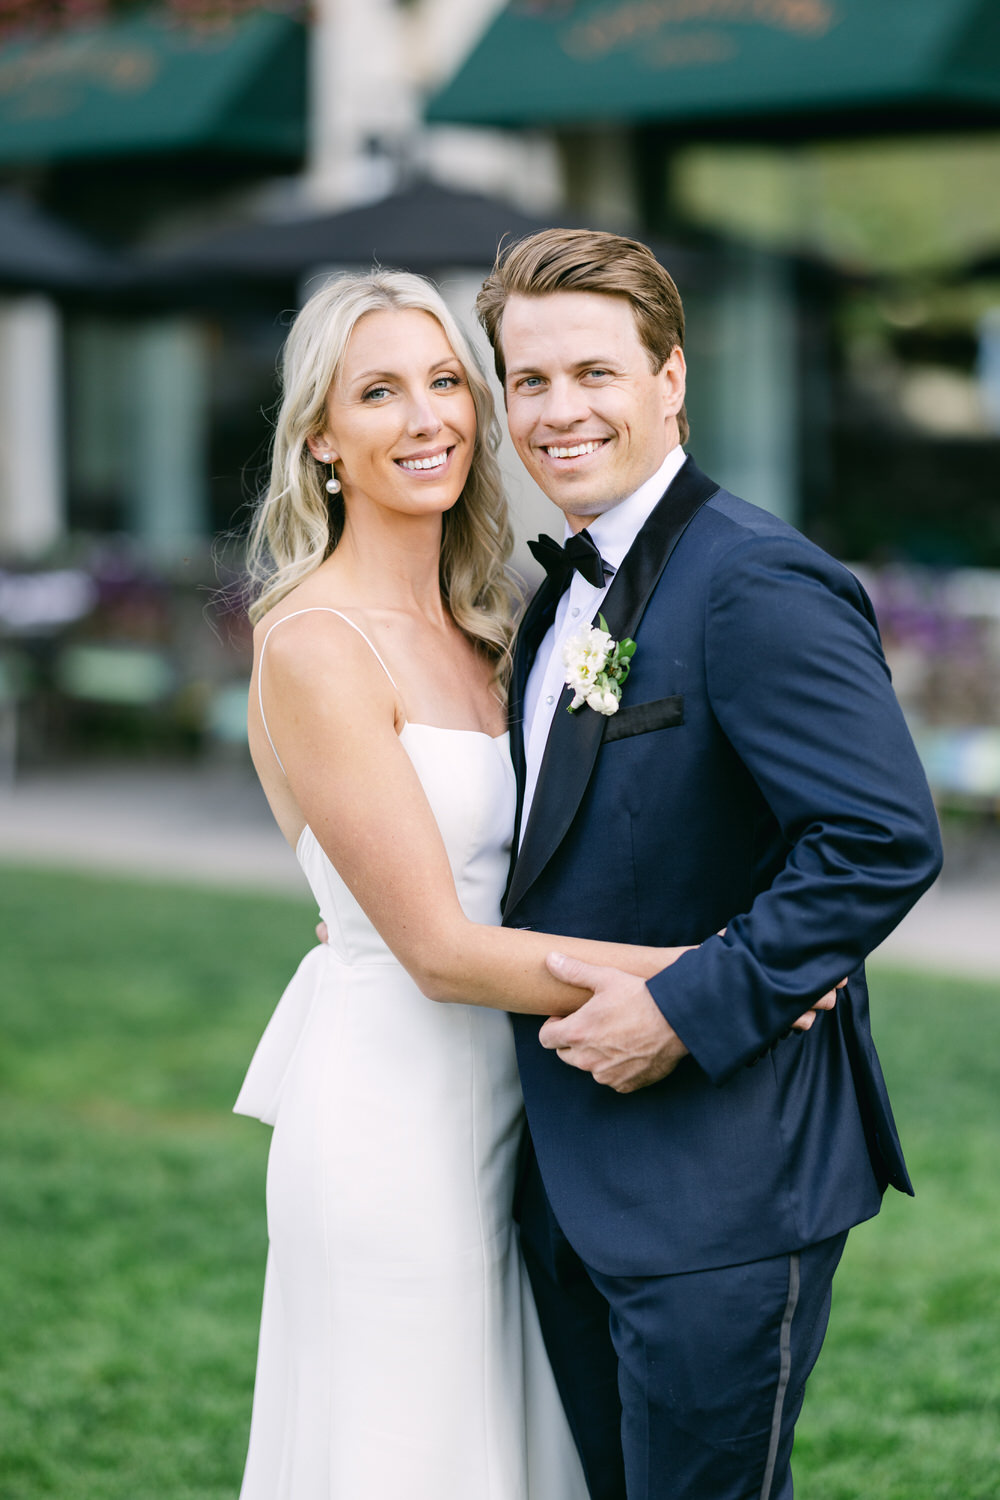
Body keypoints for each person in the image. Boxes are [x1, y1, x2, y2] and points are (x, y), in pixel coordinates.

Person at [233, 268, 841, 1499]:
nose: (427, 420)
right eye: (379, 393)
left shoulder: (510, 617)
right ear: (320, 439)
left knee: (530, 1457)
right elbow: (438, 950)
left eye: (449, 382)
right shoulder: (311, 643)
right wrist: (723, 977)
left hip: (535, 1118)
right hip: (395, 1116)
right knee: (417, 1451)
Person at [471, 228, 944, 1500]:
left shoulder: (754, 579)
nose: (558, 410)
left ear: (671, 379)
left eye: (594, 373)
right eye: (528, 380)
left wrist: (686, 1009)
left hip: (727, 1183)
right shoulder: (566, 595)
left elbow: (880, 839)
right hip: (573, 1182)